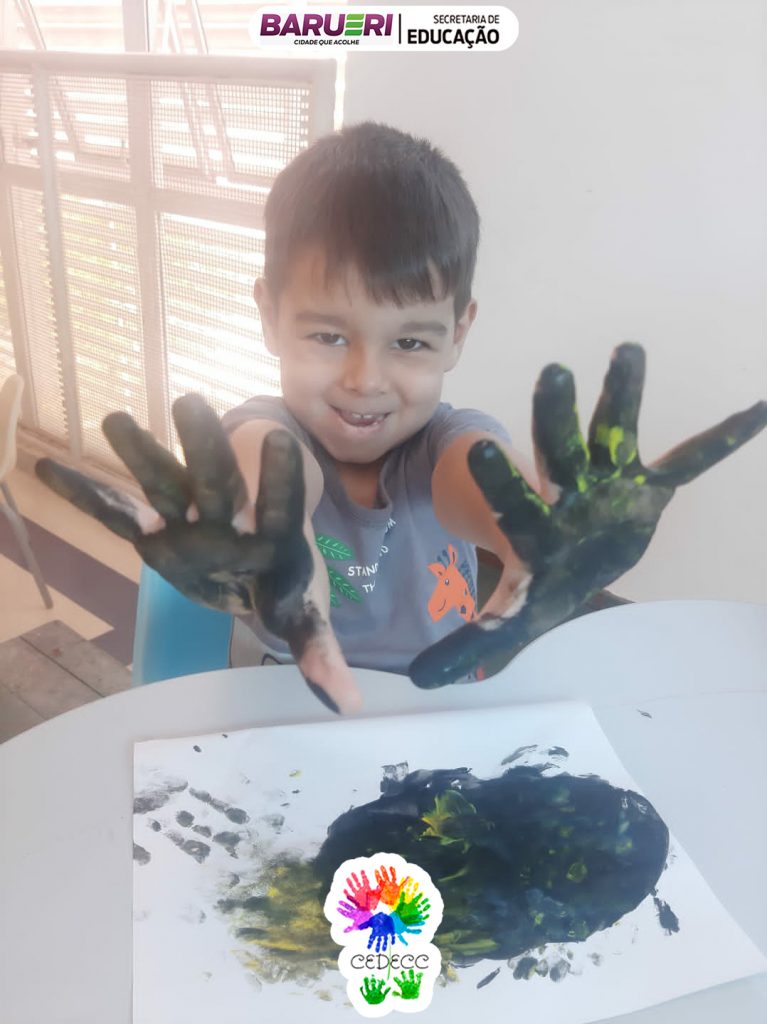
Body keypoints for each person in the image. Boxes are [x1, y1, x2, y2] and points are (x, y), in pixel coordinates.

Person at [36, 122, 767, 716]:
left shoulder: (445, 442)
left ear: (459, 332)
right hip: (282, 710)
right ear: (270, 316)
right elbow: (272, 470)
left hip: (437, 706)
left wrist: (540, 531)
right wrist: (274, 541)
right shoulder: (266, 428)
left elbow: (479, 478)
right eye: (328, 335)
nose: (365, 379)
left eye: (410, 343)